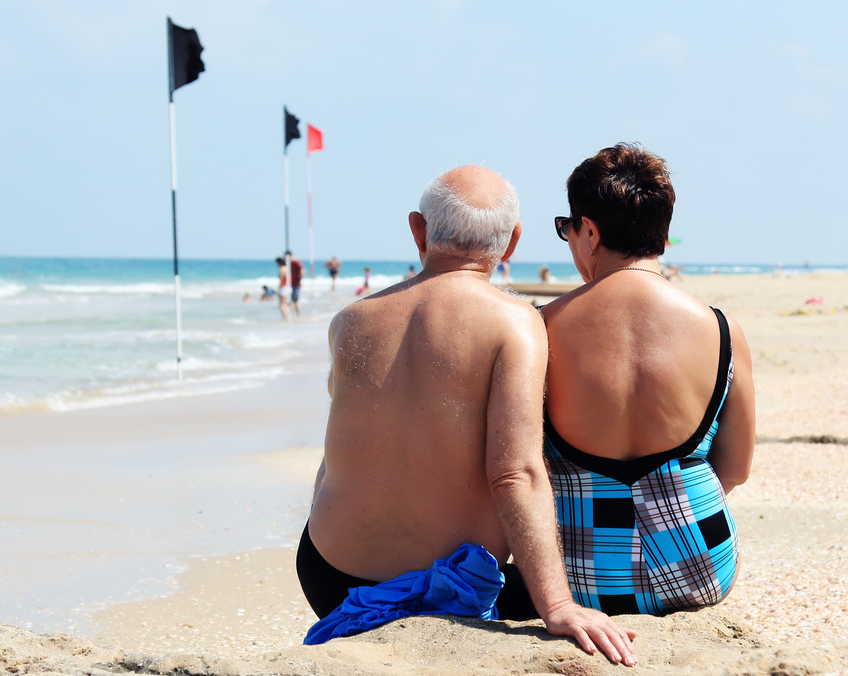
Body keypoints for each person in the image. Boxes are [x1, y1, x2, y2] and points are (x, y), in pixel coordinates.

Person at [298, 165, 637, 664]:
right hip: (451, 588)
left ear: (418, 229)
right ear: (512, 242)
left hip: (329, 571)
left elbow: (339, 452)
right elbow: (515, 473)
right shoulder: (514, 322)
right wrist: (559, 605)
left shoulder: (350, 320)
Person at [542, 143, 755, 616]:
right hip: (702, 565)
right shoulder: (723, 329)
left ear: (590, 232)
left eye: (567, 229)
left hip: (582, 579)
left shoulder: (539, 329)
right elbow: (736, 469)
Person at [285, 250, 304, 318]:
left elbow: (302, 270)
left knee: (294, 300)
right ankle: (297, 315)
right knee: (295, 300)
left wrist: (300, 280)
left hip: (297, 283)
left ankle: (294, 314)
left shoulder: (296, 262)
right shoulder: (290, 263)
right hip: (293, 283)